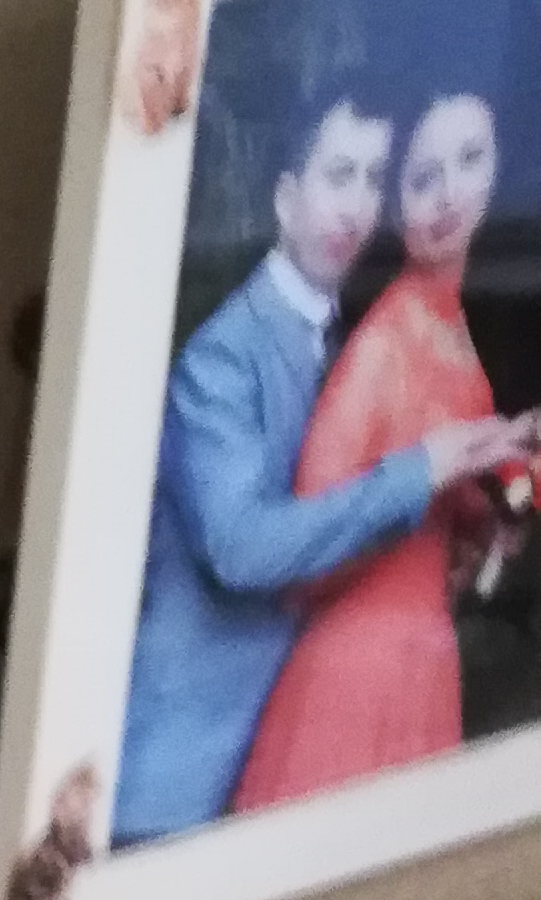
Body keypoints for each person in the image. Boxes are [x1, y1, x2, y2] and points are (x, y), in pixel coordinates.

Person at [115, 86, 528, 842]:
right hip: (184, 777)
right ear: (286, 198)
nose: (357, 207)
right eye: (340, 175)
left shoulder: (347, 337)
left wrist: (472, 520)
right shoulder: (222, 359)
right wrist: (419, 472)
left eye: (374, 179)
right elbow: (241, 549)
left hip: (304, 732)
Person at [233, 81, 526, 811]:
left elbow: (445, 536)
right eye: (423, 178)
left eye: (470, 160)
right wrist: (433, 478)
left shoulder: (455, 334)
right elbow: (305, 565)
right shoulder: (384, 344)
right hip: (356, 679)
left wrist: (492, 518)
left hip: (423, 663)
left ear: (499, 169)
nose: (449, 193)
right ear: (396, 205)